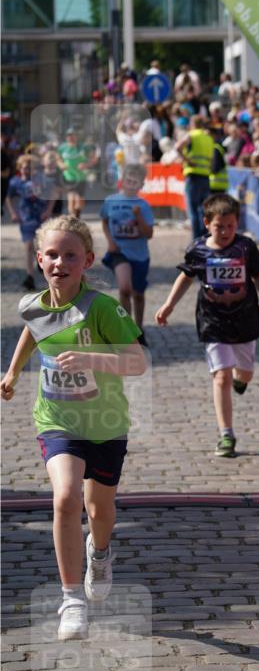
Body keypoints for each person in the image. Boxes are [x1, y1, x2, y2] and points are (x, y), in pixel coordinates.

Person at [0, 216, 146, 641]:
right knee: (65, 497)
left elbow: (136, 362)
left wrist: (93, 360)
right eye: (52, 254)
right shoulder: (32, 304)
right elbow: (33, 330)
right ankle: (71, 600)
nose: (59, 262)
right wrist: (12, 372)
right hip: (57, 420)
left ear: (87, 261)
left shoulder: (101, 309)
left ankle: (100, 554)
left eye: (70, 255)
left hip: (105, 423)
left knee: (99, 511)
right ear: (39, 259)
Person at [155, 193, 259, 458]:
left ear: (238, 223)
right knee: (220, 375)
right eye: (219, 226)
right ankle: (226, 434)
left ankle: (240, 379)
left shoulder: (245, 248)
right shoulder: (198, 249)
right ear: (207, 223)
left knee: (244, 373)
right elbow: (186, 277)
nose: (224, 232)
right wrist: (169, 305)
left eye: (230, 226)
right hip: (213, 320)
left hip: (245, 318)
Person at [100, 163, 154, 334]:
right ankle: (128, 329)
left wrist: (138, 217)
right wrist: (110, 241)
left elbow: (149, 233)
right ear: (122, 180)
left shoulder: (143, 205)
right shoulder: (110, 201)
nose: (131, 182)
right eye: (128, 178)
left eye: (135, 180)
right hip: (119, 252)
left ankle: (139, 328)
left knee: (138, 294)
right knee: (124, 289)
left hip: (139, 255)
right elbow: (104, 220)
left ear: (141, 185)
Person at [6, 154, 58, 290]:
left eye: (29, 168)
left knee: (42, 245)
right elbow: (8, 198)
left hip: (42, 218)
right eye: (23, 168)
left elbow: (54, 194)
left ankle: (40, 262)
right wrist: (13, 213)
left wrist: (48, 210)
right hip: (26, 218)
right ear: (19, 168)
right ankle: (30, 276)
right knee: (29, 246)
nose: (26, 170)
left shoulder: (42, 180)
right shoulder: (15, 182)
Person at [176, 115, 214, 239]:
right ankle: (204, 238)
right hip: (205, 176)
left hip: (193, 175)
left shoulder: (191, 135)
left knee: (192, 210)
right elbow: (211, 159)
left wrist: (187, 160)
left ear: (192, 124)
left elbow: (177, 147)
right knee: (203, 210)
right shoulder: (209, 138)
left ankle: (196, 241)